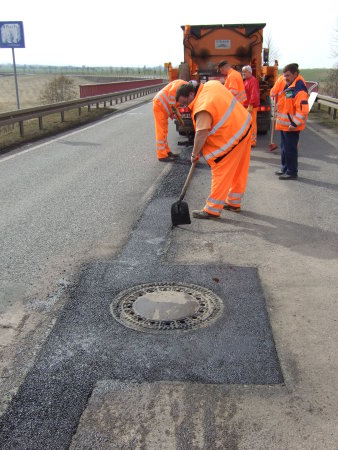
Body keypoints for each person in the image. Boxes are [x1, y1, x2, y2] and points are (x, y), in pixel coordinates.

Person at [175, 80, 252, 219]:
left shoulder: (202, 107)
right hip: (244, 125)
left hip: (230, 139)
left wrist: (194, 154)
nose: (185, 107)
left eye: (185, 103)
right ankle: (234, 203)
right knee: (238, 170)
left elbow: (201, 133)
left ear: (191, 94)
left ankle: (212, 210)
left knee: (220, 170)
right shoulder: (211, 84)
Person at [274, 63, 309, 179]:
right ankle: (285, 168)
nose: (285, 78)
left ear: (295, 74)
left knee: (290, 150)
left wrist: (294, 123)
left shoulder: (299, 89)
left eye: (288, 75)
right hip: (286, 126)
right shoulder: (291, 86)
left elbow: (303, 110)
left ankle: (292, 172)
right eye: (284, 76)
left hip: (291, 126)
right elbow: (288, 105)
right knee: (285, 149)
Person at [152, 79, 188, 161]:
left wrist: (178, 116)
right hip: (159, 104)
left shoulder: (184, 87)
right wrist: (173, 107)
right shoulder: (181, 84)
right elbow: (172, 94)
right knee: (161, 131)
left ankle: (167, 152)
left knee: (164, 131)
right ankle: (161, 155)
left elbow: (176, 104)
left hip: (162, 107)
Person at [242, 65, 260, 147]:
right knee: (248, 124)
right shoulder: (246, 81)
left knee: (252, 124)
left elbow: (254, 94)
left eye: (245, 72)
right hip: (246, 106)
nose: (243, 73)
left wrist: (250, 105)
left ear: (249, 72)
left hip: (250, 107)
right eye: (243, 72)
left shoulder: (252, 81)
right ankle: (249, 140)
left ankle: (252, 142)